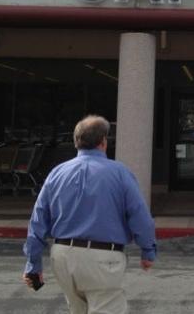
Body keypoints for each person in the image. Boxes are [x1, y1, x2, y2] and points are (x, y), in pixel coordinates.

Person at [22, 115, 156, 314]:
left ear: (76, 141)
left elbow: (38, 219)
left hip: (62, 256)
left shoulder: (57, 173)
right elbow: (139, 215)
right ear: (103, 141)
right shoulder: (120, 173)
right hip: (103, 258)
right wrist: (148, 250)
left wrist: (33, 263)